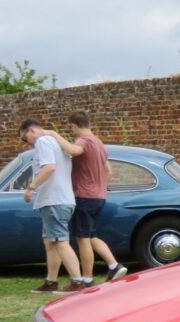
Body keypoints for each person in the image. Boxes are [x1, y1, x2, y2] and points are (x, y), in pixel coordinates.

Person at [45, 112, 127, 284]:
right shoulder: (99, 143)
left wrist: (54, 134)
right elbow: (108, 171)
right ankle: (114, 266)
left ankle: (87, 279)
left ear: (73, 126)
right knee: (91, 235)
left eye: (71, 127)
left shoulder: (84, 141)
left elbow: (74, 151)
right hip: (99, 196)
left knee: (82, 238)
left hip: (84, 196)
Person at [18, 119, 85, 293]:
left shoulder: (43, 141)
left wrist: (31, 187)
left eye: (25, 139)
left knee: (60, 241)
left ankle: (77, 282)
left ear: (32, 130)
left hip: (54, 199)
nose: (27, 143)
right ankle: (51, 281)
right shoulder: (56, 141)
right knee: (50, 242)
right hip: (60, 199)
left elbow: (49, 167)